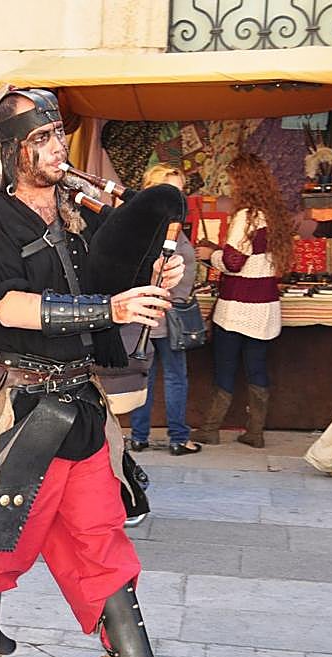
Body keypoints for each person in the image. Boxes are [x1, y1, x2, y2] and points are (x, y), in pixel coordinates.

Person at [0, 88, 209, 657]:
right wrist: (107, 307)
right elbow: (7, 306)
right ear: (10, 153)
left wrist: (154, 279)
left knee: (99, 531)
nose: (58, 149)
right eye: (42, 139)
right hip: (9, 406)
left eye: (59, 136)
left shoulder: (79, 217)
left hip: (77, 401)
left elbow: (111, 286)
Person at [192, 153, 295, 448]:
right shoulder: (275, 215)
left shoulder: (246, 216)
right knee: (257, 367)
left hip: (237, 306)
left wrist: (210, 255)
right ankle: (255, 432)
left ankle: (211, 428)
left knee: (224, 366)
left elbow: (234, 262)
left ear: (243, 182)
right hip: (266, 307)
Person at [128, 164, 201, 456]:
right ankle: (178, 438)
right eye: (174, 190)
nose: (179, 198)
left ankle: (139, 436)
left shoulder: (137, 222)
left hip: (145, 312)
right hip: (165, 314)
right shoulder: (167, 226)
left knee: (145, 376)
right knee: (174, 376)